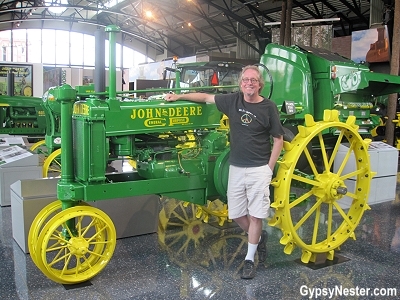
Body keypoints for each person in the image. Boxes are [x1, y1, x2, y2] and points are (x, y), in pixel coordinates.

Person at [164, 65, 284, 279]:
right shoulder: (233, 101)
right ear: (241, 83)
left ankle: (249, 259)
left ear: (259, 84)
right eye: (246, 79)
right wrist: (179, 95)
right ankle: (257, 237)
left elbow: (278, 139)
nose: (249, 83)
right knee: (236, 213)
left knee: (256, 215)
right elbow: (205, 97)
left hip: (258, 169)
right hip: (236, 167)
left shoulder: (268, 107)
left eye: (253, 80)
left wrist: (269, 169)